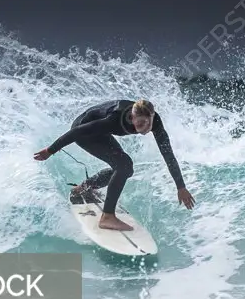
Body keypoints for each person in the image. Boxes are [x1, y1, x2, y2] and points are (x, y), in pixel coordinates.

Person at [33, 99, 195, 231]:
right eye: (139, 125)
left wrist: (180, 187)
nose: (144, 129)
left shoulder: (155, 121)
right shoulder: (114, 119)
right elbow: (77, 132)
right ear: (131, 117)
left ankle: (84, 188)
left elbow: (168, 154)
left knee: (126, 168)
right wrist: (50, 150)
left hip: (100, 132)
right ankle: (107, 217)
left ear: (152, 116)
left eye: (147, 124)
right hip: (83, 130)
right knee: (124, 165)